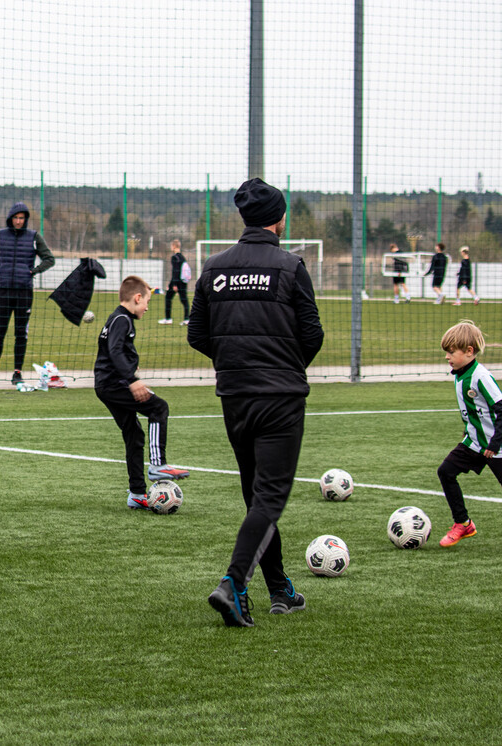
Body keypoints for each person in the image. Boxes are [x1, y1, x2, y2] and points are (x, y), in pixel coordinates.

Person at [187, 177, 324, 627]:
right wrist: (284, 366)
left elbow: (197, 335)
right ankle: (233, 583)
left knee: (256, 495)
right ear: (280, 219)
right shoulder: (290, 265)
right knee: (269, 496)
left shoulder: (213, 267)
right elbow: (312, 335)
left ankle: (280, 588)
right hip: (280, 397)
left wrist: (237, 363)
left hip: (235, 396)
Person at [94, 275, 190, 509]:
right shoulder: (122, 320)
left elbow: (116, 351)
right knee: (159, 407)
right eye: (147, 301)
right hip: (114, 384)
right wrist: (132, 380)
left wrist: (129, 368)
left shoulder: (119, 318)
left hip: (107, 385)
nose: (147, 307)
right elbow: (114, 351)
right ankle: (158, 465)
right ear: (137, 298)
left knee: (134, 434)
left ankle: (137, 493)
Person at [436, 320, 500, 547]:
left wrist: (495, 443)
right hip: (473, 443)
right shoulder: (460, 373)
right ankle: (463, 523)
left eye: (451, 352)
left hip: (495, 447)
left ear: (469, 352)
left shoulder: (480, 377)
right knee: (446, 471)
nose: (447, 357)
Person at [0, 202, 55, 386]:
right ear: (10, 218)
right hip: (3, 290)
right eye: (16, 217)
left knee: (20, 333)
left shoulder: (34, 237)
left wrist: (33, 271)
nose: (19, 221)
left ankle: (17, 372)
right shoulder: (1, 235)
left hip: (24, 292)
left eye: (22, 218)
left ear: (26, 219)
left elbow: (49, 259)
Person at [158, 239, 191, 325]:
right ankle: (187, 319)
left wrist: (174, 284)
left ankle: (168, 318)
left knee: (168, 298)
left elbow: (175, 271)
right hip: (183, 282)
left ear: (173, 246)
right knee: (184, 300)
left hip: (176, 282)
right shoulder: (182, 257)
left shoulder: (174, 257)